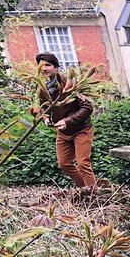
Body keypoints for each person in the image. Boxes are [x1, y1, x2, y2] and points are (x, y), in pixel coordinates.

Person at [34, 52, 97, 192]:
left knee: (82, 163)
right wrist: (45, 117)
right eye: (41, 65)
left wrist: (67, 121)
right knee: (64, 164)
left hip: (81, 129)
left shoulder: (71, 83)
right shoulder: (42, 87)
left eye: (48, 65)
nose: (44, 68)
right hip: (62, 132)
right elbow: (43, 106)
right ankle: (87, 190)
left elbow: (87, 107)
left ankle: (95, 196)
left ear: (56, 68)